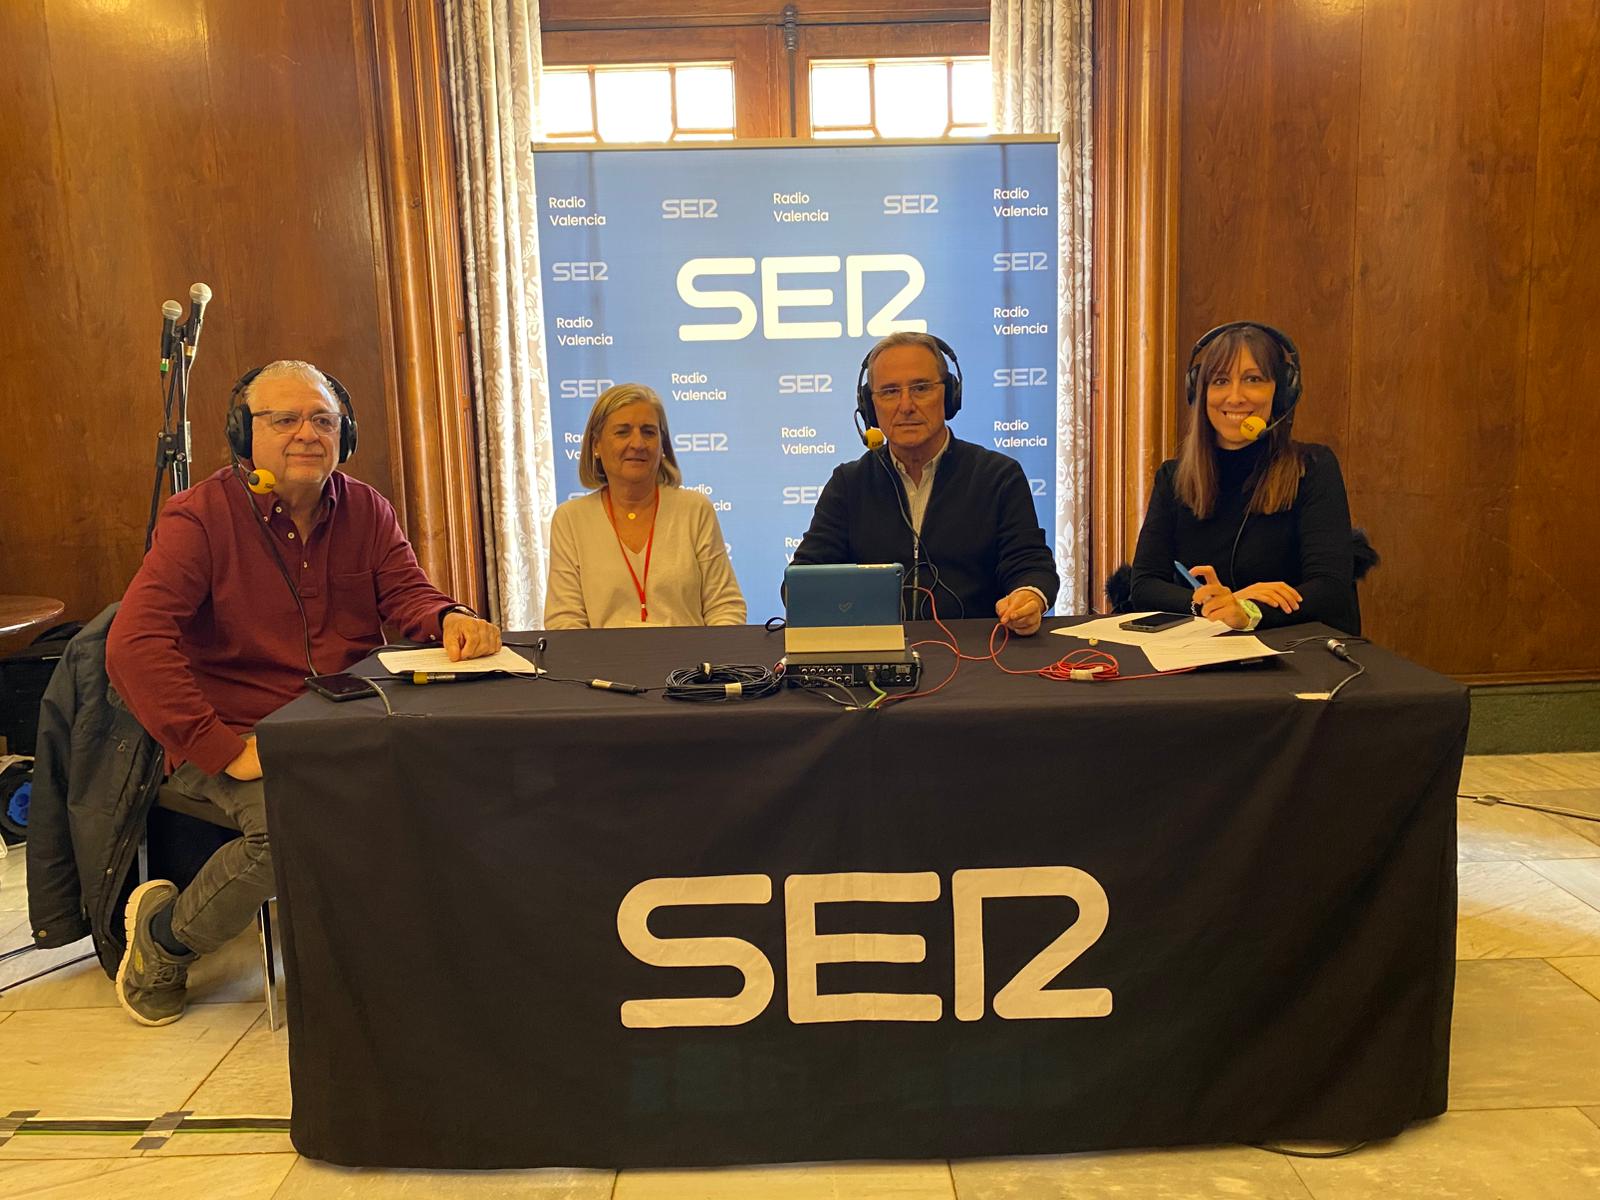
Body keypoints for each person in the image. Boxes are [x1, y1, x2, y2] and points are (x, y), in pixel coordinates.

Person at [105, 359, 502, 1025]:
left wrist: (447, 618)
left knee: (457, 777)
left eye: (322, 420)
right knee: (288, 830)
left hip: (342, 721)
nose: (306, 433)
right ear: (243, 434)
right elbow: (133, 644)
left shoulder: (366, 507)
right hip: (235, 737)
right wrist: (223, 748)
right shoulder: (199, 519)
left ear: (344, 435)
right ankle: (164, 941)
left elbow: (404, 591)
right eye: (283, 418)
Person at [790, 332, 1058, 634]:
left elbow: (1032, 567)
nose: (906, 405)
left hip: (979, 657)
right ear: (870, 406)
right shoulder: (848, 484)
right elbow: (802, 581)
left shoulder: (998, 476)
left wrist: (1029, 596)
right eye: (890, 392)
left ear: (949, 396)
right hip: (876, 657)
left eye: (920, 388)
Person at [1129, 322, 1358, 633]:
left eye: (1253, 379)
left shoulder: (1313, 467)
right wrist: (1214, 604)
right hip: (1199, 655)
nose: (1234, 397)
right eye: (1220, 381)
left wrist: (1247, 610)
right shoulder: (1174, 478)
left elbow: (1331, 589)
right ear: (1200, 392)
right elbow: (1143, 585)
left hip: (1289, 656)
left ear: (1281, 392)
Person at [546, 382, 746, 629]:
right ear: (595, 445)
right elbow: (564, 620)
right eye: (622, 432)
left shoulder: (695, 509)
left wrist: (710, 664)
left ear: (662, 446)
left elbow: (725, 606)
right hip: (602, 666)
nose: (638, 443)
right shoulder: (570, 519)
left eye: (649, 432)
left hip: (688, 666)